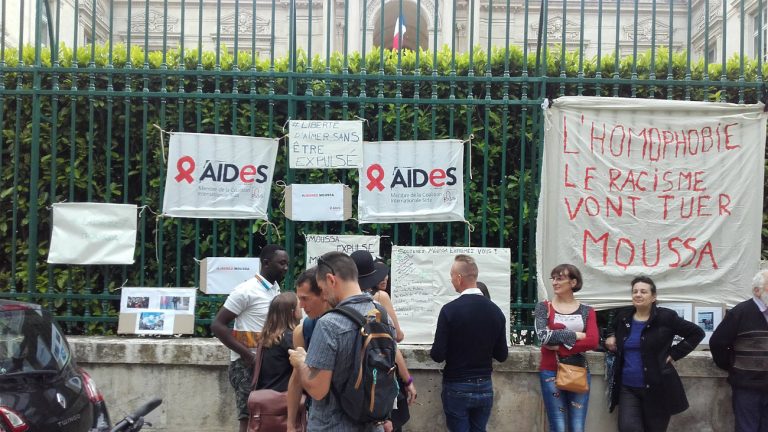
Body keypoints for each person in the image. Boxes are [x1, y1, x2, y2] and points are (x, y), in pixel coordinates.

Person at [288, 252, 416, 431]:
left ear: (331, 280)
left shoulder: (329, 323)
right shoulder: (382, 314)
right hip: (373, 424)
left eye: (321, 286)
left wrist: (301, 362)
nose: (323, 294)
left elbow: (318, 389)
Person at [605, 276, 704, 432]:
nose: (638, 294)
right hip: (628, 387)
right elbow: (610, 327)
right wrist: (610, 335)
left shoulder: (666, 317)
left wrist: (674, 353)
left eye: (643, 292)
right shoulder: (624, 316)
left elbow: (697, 333)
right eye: (635, 291)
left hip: (658, 387)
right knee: (628, 428)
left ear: (653, 297)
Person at [210, 244, 290, 432]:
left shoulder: (274, 289)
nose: (285, 268)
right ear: (266, 263)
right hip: (246, 366)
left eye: (287, 264)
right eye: (282, 263)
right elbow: (217, 325)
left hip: (267, 365)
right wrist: (248, 356)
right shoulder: (245, 291)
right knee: (248, 417)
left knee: (264, 416)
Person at [430, 254, 508, 432]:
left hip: (457, 383)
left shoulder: (449, 310)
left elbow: (437, 354)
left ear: (458, 278)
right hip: (485, 384)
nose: (451, 280)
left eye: (451, 276)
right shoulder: (496, 312)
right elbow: (502, 355)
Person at [351, 250, 412, 432]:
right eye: (379, 274)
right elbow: (396, 338)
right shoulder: (380, 299)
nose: (384, 278)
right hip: (380, 374)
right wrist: (408, 380)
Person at [534, 264, 599, 432]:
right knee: (558, 426)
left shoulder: (587, 310)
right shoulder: (544, 307)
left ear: (573, 282)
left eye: (560, 278)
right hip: (550, 371)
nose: (555, 282)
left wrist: (560, 347)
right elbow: (543, 337)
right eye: (553, 278)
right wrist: (576, 335)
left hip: (578, 370)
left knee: (577, 426)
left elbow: (592, 341)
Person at [710, 269, 768, 432]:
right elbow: (717, 343)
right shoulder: (740, 312)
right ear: (757, 291)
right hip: (747, 387)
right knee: (746, 428)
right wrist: (732, 365)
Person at [287, 267, 331, 432]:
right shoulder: (303, 330)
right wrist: (291, 424)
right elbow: (296, 378)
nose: (301, 306)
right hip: (318, 415)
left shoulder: (350, 322)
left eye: (305, 299)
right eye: (299, 299)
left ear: (323, 294)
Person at [255, 292, 301, 395]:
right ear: (292, 312)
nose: (302, 306)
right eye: (299, 304)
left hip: (266, 395)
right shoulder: (289, 337)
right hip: (283, 396)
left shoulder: (266, 337)